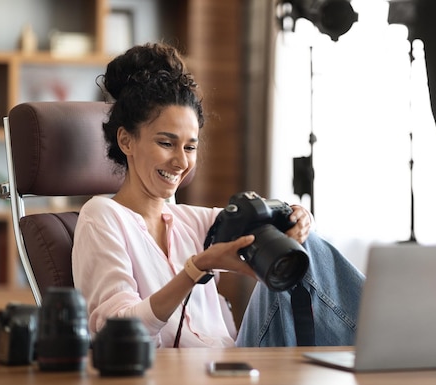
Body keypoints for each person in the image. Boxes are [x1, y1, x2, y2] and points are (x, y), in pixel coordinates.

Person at [72, 42, 364, 348]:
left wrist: (298, 217)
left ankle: (390, 348)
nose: (182, 162)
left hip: (232, 366)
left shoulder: (192, 221)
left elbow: (274, 229)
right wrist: (195, 269)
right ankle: (396, 349)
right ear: (126, 141)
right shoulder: (102, 217)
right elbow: (115, 333)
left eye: (190, 147)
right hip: (173, 382)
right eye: (166, 143)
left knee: (305, 247)